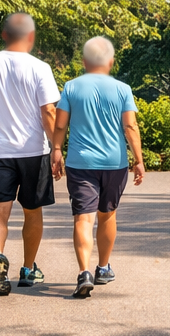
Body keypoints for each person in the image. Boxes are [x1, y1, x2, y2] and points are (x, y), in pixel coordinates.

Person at [0, 13, 60, 296]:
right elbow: (48, 111)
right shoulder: (40, 67)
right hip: (33, 152)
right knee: (33, 212)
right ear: (31, 37)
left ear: (4, 35)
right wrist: (56, 148)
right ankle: (28, 269)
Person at [49, 37, 145, 298]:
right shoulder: (123, 89)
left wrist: (56, 150)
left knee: (83, 217)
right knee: (108, 215)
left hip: (80, 162)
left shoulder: (71, 87)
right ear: (111, 62)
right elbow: (130, 127)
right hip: (114, 163)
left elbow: (60, 125)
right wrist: (139, 160)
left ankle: (84, 273)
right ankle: (103, 267)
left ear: (84, 62)